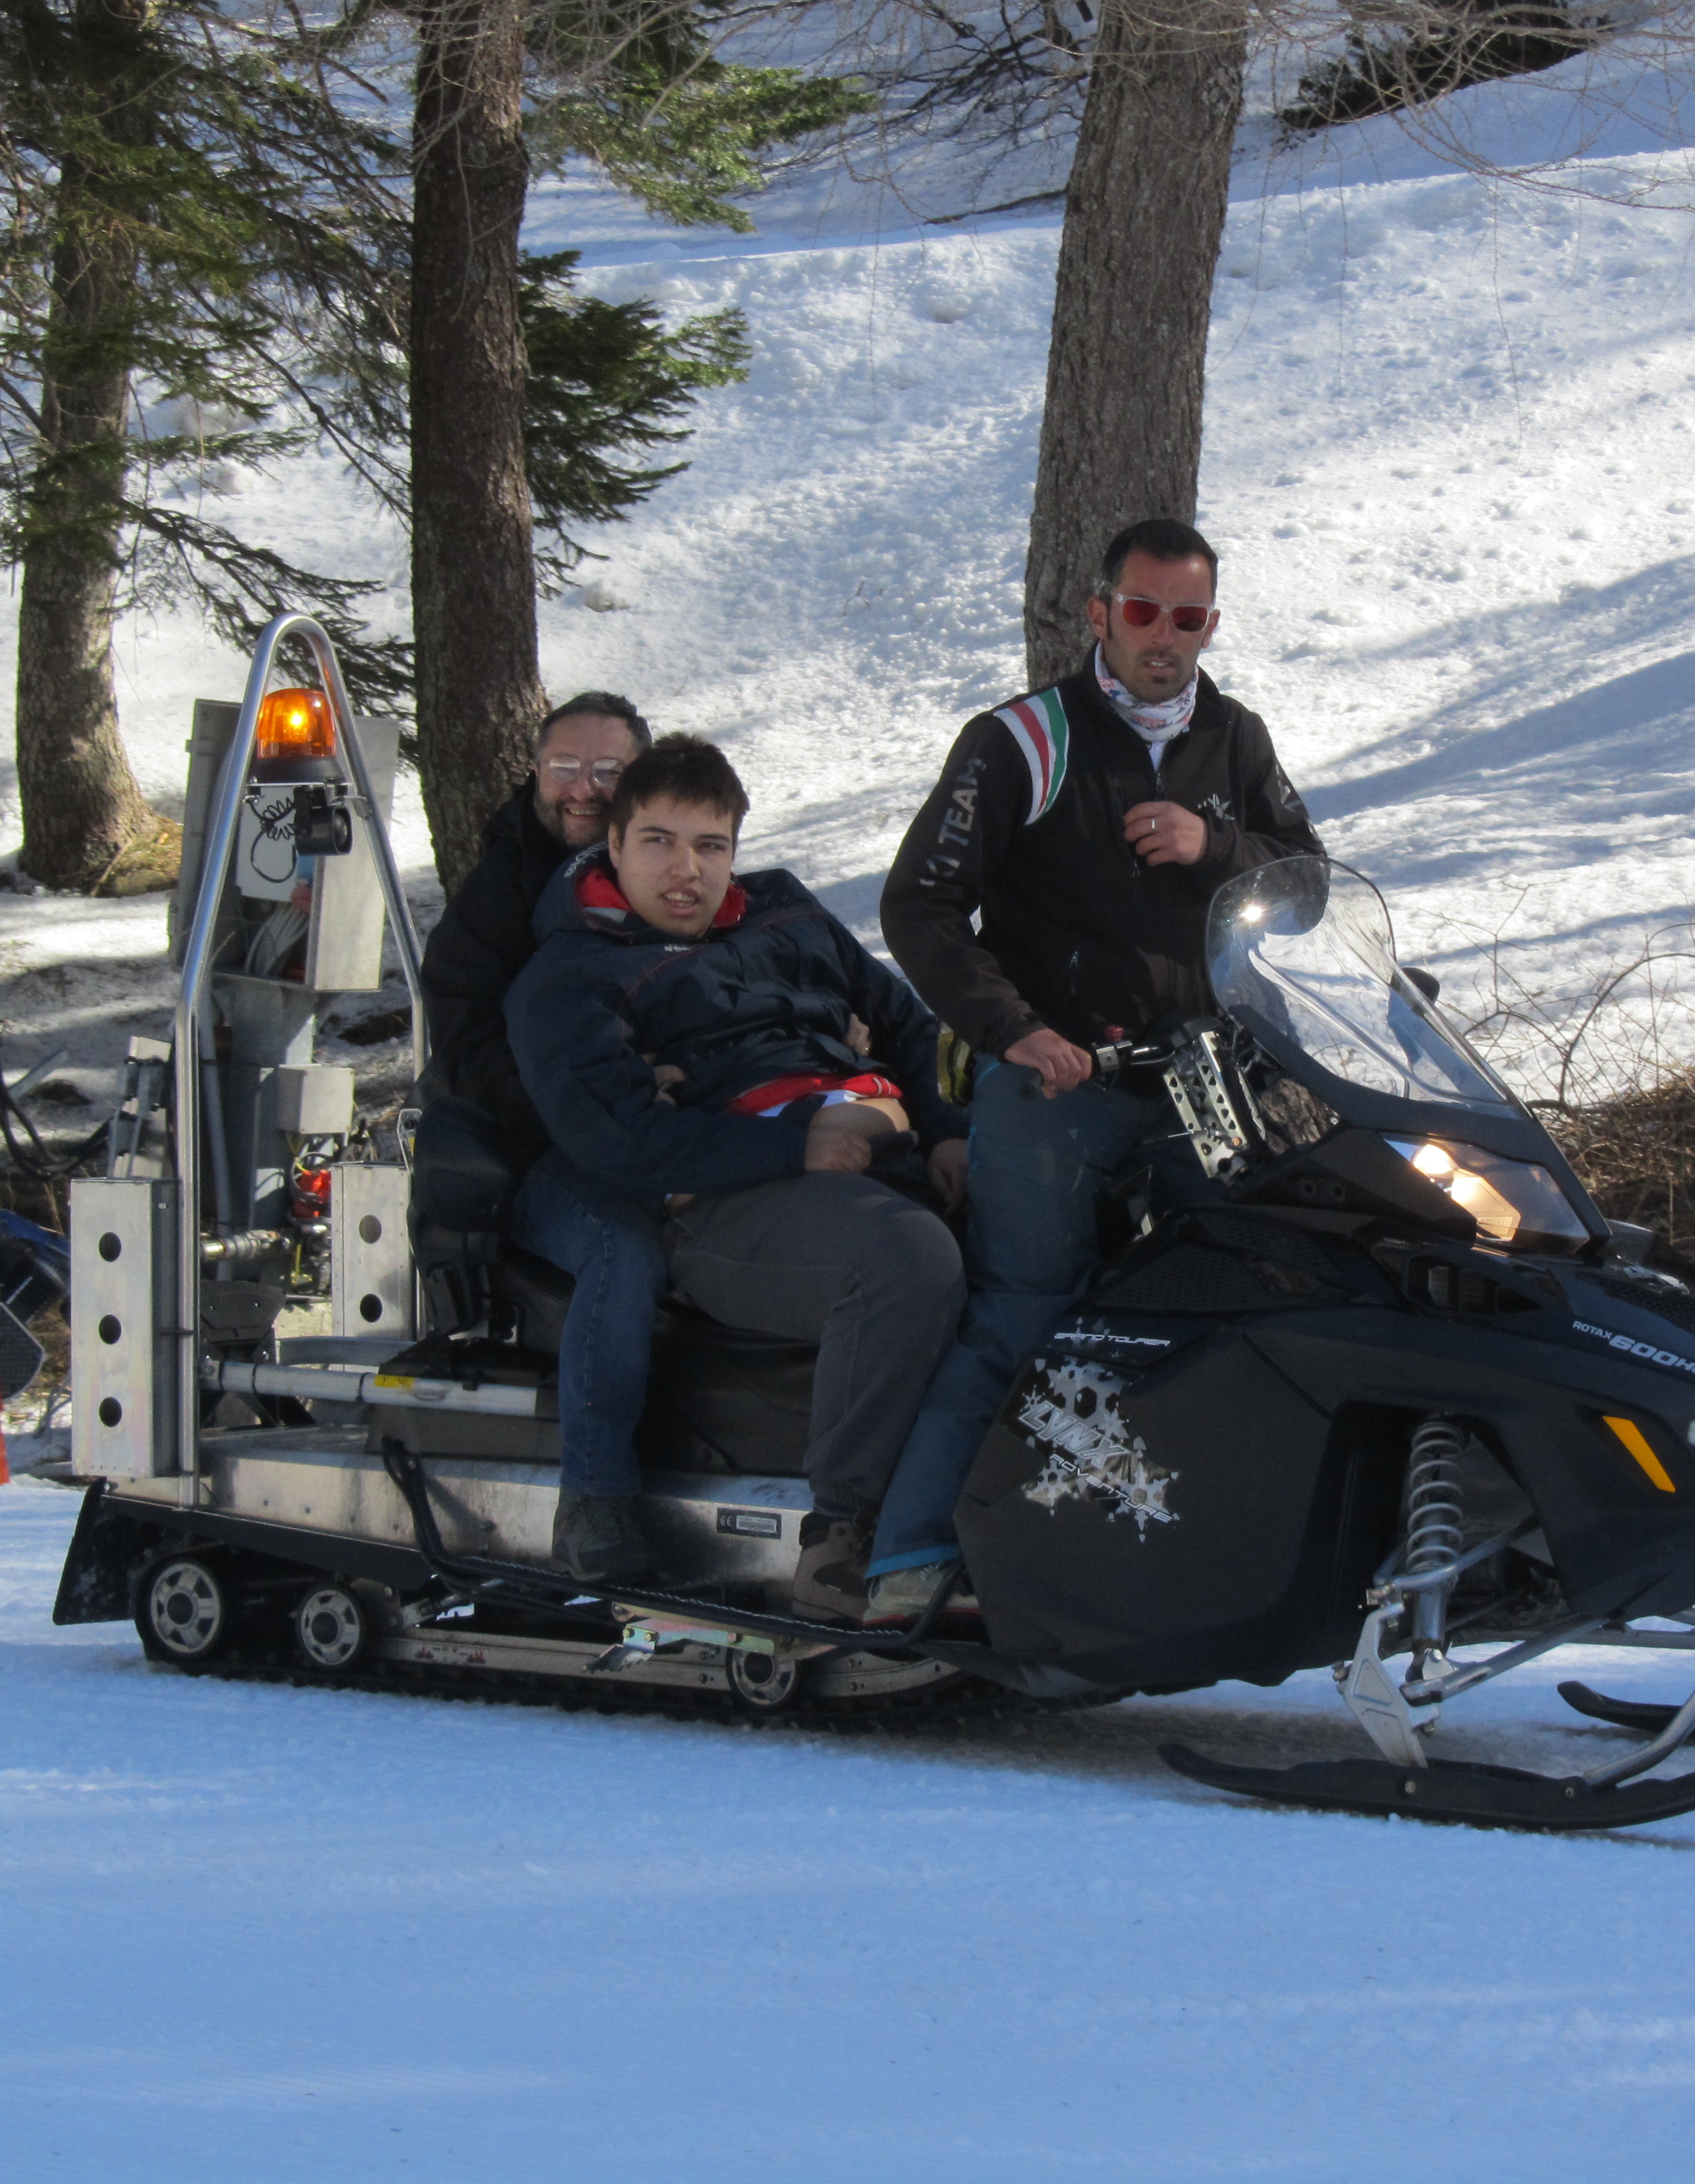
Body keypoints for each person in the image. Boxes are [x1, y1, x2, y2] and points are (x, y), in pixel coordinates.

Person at [868, 519, 1324, 1617]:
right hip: (1055, 1085)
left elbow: (1311, 887)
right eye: (1143, 611)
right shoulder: (1023, 740)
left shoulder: (1237, 738)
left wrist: (1216, 848)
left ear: (1212, 624)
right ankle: (905, 1563)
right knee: (1025, 1312)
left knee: (1221, 1315)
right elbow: (918, 905)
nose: (1164, 637)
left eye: (1188, 617)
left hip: (1202, 1086)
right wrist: (1012, 1029)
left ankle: (1172, 1558)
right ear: (1099, 612)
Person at [507, 735, 971, 1615]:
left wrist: (950, 1133)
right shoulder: (570, 979)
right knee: (905, 1258)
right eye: (659, 842)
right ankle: (845, 1540)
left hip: (888, 1153)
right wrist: (795, 1147)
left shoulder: (784, 912)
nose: (687, 870)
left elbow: (903, 1021)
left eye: (710, 846)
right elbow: (620, 1141)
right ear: (614, 843)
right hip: (733, 1203)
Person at [419, 691, 650, 1169]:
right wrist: (584, 1109)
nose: (582, 790)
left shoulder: (673, 867)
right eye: (564, 767)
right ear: (536, 771)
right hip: (543, 1139)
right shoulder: (501, 888)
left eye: (609, 771)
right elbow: (465, 1033)